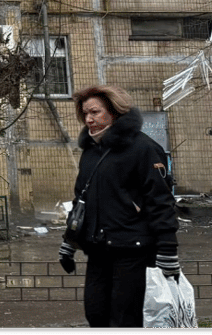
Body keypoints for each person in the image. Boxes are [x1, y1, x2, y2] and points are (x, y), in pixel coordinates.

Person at [57, 85, 180, 330]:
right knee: (96, 314)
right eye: (85, 114)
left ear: (114, 111)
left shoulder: (143, 148)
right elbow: (81, 198)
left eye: (95, 112)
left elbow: (161, 201)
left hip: (132, 250)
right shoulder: (91, 151)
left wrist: (167, 250)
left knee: (125, 320)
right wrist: (69, 242)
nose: (89, 120)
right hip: (98, 250)